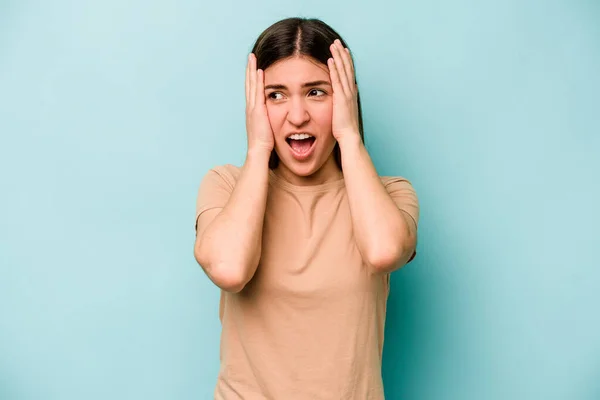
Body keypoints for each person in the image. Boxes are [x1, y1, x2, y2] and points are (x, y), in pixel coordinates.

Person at [193, 17, 419, 400]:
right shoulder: (226, 185)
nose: (297, 116)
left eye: (316, 92)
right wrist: (258, 149)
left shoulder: (391, 194)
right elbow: (229, 270)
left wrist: (348, 135)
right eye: (275, 95)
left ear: (346, 98)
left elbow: (383, 251)